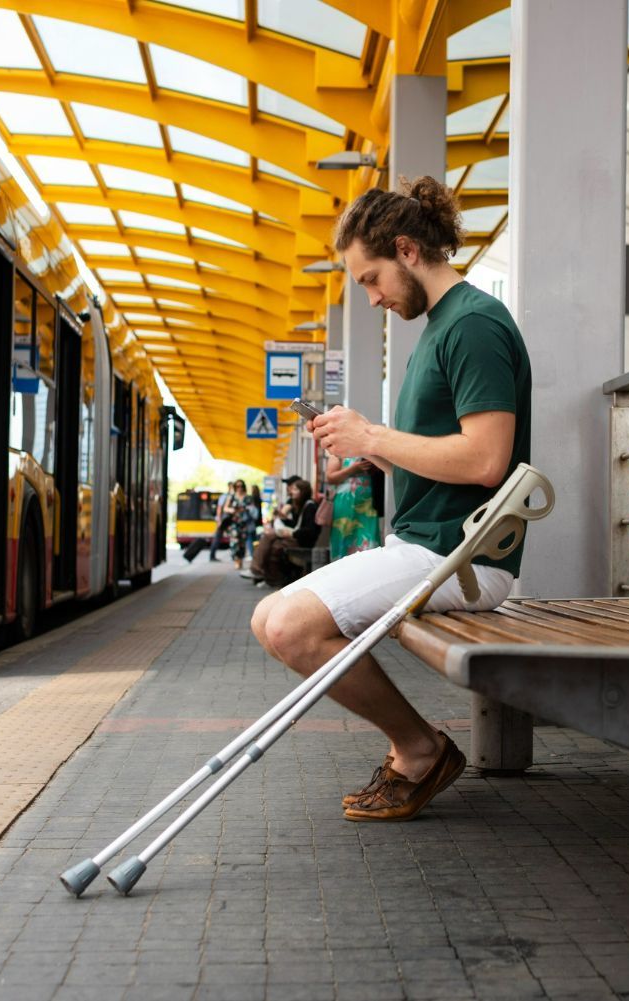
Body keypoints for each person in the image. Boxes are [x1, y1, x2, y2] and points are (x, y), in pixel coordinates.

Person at [250, 176, 532, 822]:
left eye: (371, 278)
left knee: (291, 626)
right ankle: (416, 746)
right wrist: (367, 450)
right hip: (427, 547)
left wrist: (374, 433)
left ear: (406, 249)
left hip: (463, 557)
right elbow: (438, 455)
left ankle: (419, 749)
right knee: (268, 620)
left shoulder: (475, 326)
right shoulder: (439, 331)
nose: (372, 298)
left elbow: (488, 459)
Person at [242, 478, 318, 586]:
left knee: (270, 536)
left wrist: (291, 533)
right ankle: (270, 578)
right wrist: (284, 520)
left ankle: (257, 570)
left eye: (295, 489)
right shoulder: (302, 505)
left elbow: (310, 531)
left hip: (303, 542)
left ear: (303, 491)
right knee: (274, 545)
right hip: (299, 539)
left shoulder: (310, 506)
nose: (292, 492)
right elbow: (298, 525)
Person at [324, 454, 380, 559]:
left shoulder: (369, 448)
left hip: (368, 503)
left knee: (368, 540)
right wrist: (352, 469)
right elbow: (330, 478)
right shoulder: (339, 451)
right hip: (345, 502)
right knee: (343, 536)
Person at [207, 480, 245, 562]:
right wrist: (219, 520)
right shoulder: (225, 496)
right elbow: (220, 508)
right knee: (218, 537)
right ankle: (212, 556)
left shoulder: (234, 496)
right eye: (235, 487)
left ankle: (235, 556)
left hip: (230, 520)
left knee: (234, 537)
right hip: (224, 520)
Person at [233, 485, 263, 570]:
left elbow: (250, 511)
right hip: (258, 522)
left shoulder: (251, 498)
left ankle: (253, 556)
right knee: (256, 539)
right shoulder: (258, 498)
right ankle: (255, 555)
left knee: (250, 539)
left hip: (250, 523)